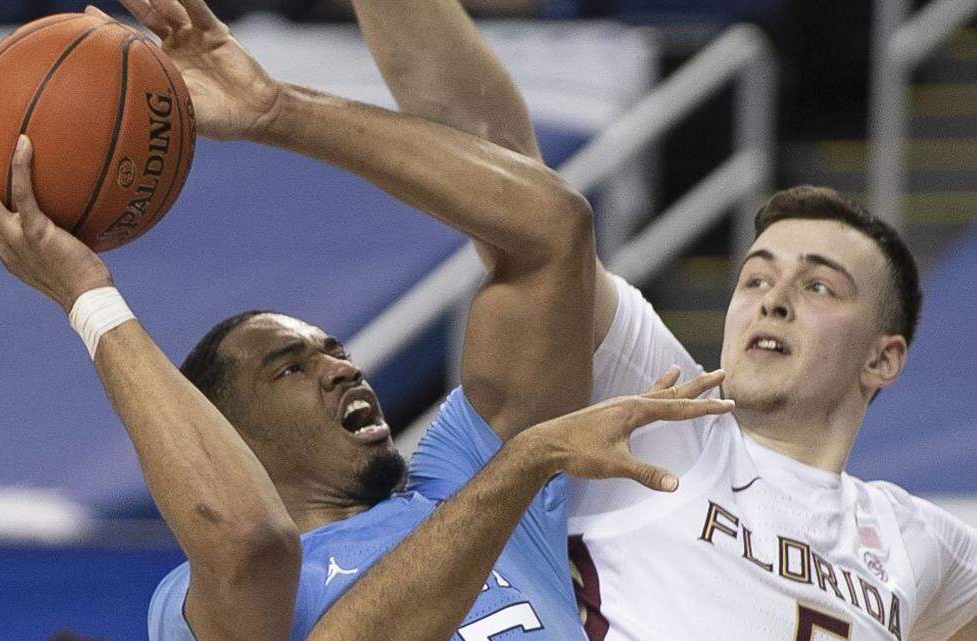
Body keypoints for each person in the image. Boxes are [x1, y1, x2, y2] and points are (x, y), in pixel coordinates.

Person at [0, 2, 734, 641]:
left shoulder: (464, 476)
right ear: (231, 435)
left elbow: (550, 228)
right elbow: (251, 541)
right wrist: (87, 293)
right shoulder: (189, 600)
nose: (342, 367)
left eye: (334, 350)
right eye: (290, 365)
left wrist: (274, 110)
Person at [326, 1, 977, 640]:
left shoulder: (919, 539)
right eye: (755, 277)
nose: (772, 300)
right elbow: (512, 182)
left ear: (883, 358)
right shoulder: (660, 418)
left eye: (817, 285)